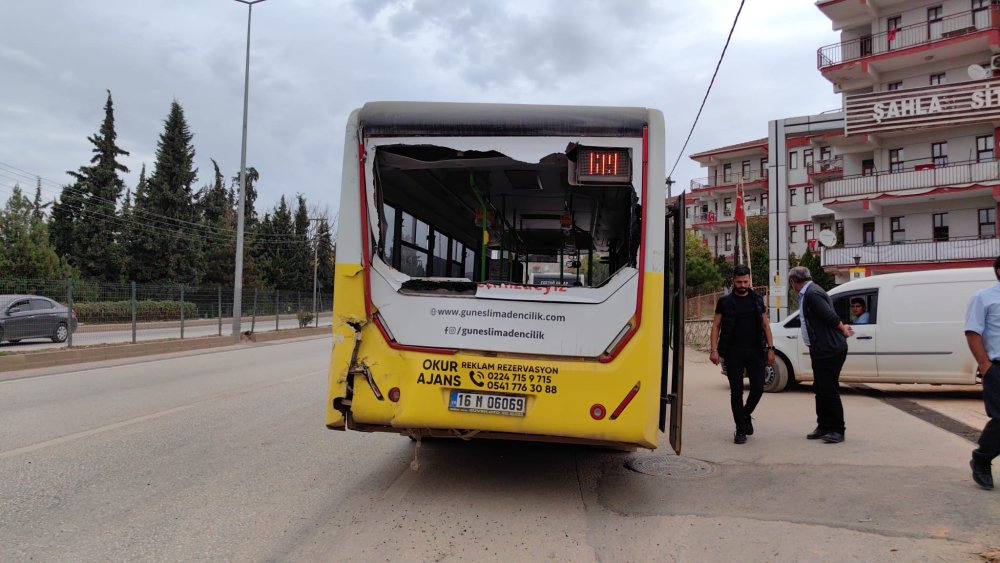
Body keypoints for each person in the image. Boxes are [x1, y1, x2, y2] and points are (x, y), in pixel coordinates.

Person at [710, 264, 776, 444]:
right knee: (736, 391)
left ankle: (745, 415)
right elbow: (716, 326)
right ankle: (740, 429)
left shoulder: (757, 299)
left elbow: (765, 325)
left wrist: (771, 349)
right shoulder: (724, 301)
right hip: (733, 352)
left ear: (749, 280)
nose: (742, 285)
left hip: (755, 351)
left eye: (745, 281)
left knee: (758, 388)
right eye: (739, 282)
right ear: (733, 281)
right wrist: (714, 350)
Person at [788, 266, 854, 444]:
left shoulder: (812, 295)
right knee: (820, 388)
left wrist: (843, 329)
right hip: (820, 349)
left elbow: (830, 316)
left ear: (793, 282)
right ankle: (823, 426)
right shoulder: (809, 292)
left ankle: (837, 430)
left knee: (829, 389)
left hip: (830, 349)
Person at [963, 255, 1000, 490]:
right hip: (997, 367)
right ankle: (982, 459)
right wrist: (985, 365)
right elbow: (972, 332)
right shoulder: (983, 297)